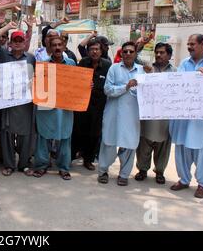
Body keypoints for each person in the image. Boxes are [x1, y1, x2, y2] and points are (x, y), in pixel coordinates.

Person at [169, 34, 203, 198]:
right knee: (182, 149)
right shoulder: (184, 64)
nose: (189, 47)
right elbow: (176, 84)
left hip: (202, 116)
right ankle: (184, 179)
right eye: (188, 44)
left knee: (202, 150)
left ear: (202, 44)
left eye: (192, 44)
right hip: (183, 116)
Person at [0, 21, 36, 176]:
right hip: (8, 103)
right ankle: (9, 165)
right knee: (7, 134)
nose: (17, 43)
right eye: (14, 40)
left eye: (20, 40)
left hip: (25, 104)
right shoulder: (3, 55)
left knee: (25, 135)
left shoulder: (30, 58)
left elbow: (38, 77)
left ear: (24, 43)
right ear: (10, 42)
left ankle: (24, 164)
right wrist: (8, 27)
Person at [98, 42, 145, 186]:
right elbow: (108, 89)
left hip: (132, 115)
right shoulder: (114, 68)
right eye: (125, 51)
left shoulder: (142, 71)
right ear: (121, 53)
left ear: (136, 54)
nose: (128, 54)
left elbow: (148, 92)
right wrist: (126, 86)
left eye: (131, 51)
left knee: (129, 144)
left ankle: (124, 174)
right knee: (108, 142)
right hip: (114, 113)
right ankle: (103, 171)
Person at [30, 37, 76, 181]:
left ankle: (64, 168)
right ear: (49, 47)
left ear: (64, 46)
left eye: (59, 45)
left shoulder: (71, 64)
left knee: (65, 137)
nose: (57, 47)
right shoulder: (42, 64)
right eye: (54, 45)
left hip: (65, 106)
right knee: (43, 136)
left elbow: (76, 84)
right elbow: (36, 85)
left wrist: (86, 86)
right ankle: (41, 166)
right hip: (46, 105)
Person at [135, 43, 176, 184]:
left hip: (165, 117)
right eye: (157, 52)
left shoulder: (176, 72)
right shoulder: (147, 69)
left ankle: (160, 172)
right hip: (148, 115)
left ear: (169, 55)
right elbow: (134, 55)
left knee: (163, 146)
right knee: (144, 145)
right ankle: (142, 170)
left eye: (162, 52)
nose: (158, 55)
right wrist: (141, 43)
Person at [71, 39, 111, 170]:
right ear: (88, 51)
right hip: (82, 104)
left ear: (101, 51)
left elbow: (109, 84)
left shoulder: (107, 65)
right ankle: (71, 156)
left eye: (97, 49)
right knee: (77, 131)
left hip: (99, 106)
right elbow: (76, 81)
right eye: (91, 49)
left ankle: (88, 160)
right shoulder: (83, 63)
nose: (94, 51)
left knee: (94, 134)